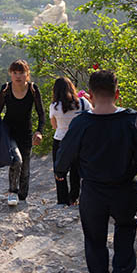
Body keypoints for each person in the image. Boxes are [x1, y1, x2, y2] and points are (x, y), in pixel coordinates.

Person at [55, 70, 137, 273]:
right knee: (126, 227)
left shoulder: (82, 123)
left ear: (90, 95)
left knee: (94, 240)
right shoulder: (132, 120)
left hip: (93, 192)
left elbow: (65, 154)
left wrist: (60, 172)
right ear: (118, 93)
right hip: (124, 190)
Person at [0, 59, 45, 206]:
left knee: (25, 168)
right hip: (9, 131)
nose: (18, 76)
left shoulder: (33, 89)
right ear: (10, 74)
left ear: (27, 74)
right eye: (15, 73)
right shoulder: (5, 89)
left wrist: (39, 131)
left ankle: (22, 197)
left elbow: (41, 113)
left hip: (26, 133)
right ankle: (12, 193)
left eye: (21, 72)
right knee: (16, 160)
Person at [49, 77, 91, 206]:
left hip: (60, 140)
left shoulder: (54, 106)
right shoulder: (83, 103)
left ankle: (62, 200)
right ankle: (73, 198)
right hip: (79, 142)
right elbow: (91, 117)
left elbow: (54, 126)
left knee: (59, 171)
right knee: (76, 172)